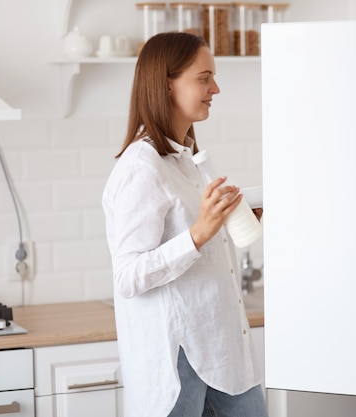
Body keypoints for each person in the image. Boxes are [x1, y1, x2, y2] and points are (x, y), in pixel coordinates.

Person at [102, 32, 268, 417]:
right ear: (167, 84)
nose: (216, 88)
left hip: (223, 353)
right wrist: (200, 233)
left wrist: (227, 223)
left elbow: (192, 240)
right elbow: (128, 276)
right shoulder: (140, 168)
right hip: (178, 364)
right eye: (204, 77)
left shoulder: (185, 159)